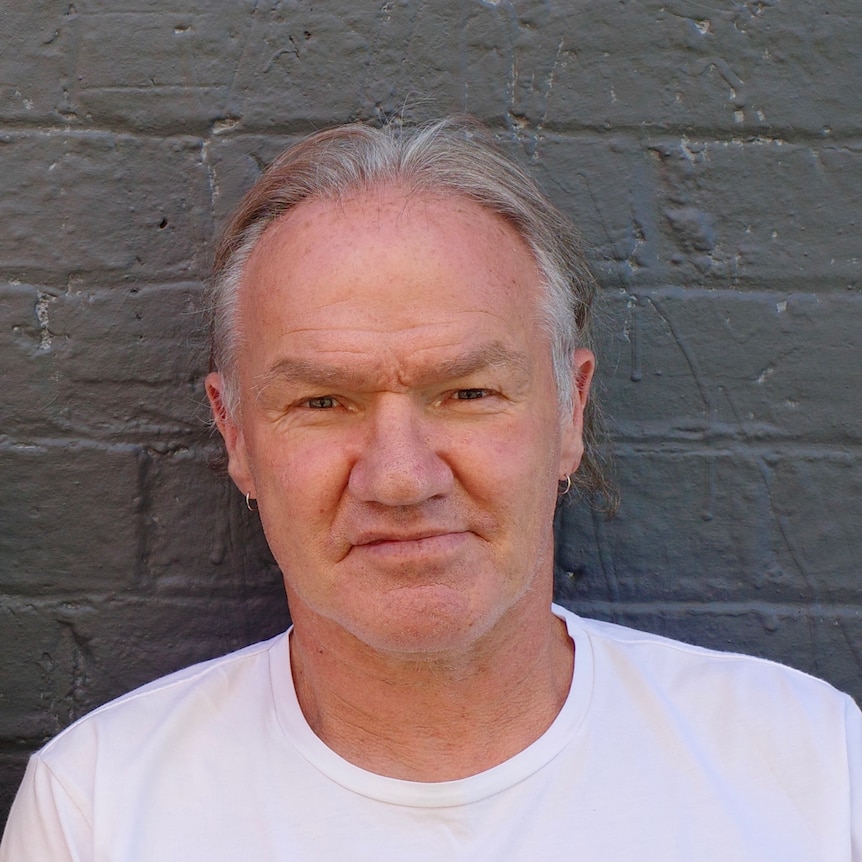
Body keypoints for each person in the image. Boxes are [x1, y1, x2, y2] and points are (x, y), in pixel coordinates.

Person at [1, 117, 859, 861]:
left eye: (468, 393)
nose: (402, 478)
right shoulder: (99, 810)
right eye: (322, 401)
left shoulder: (810, 769)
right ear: (236, 437)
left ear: (570, 412)